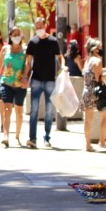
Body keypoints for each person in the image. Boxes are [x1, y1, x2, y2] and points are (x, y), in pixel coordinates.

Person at [22, 17, 66, 148]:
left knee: (49, 110)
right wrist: (25, 76)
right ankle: (32, 138)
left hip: (50, 80)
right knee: (34, 110)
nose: (39, 29)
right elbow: (28, 62)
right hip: (36, 79)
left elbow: (59, 57)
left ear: (45, 25)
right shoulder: (32, 42)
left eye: (40, 26)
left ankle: (47, 138)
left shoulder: (53, 41)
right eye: (37, 27)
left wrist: (63, 66)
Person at [0, 26, 28, 148]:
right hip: (6, 83)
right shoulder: (5, 49)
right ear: (10, 37)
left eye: (18, 34)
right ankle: (5, 136)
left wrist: (25, 77)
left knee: (19, 111)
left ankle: (17, 136)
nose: (17, 37)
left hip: (20, 85)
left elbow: (28, 65)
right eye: (14, 34)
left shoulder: (25, 50)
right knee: (7, 110)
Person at [80, 38, 106, 152]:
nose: (101, 50)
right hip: (96, 93)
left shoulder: (87, 61)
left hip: (86, 91)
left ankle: (88, 145)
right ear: (95, 49)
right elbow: (99, 79)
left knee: (88, 120)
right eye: (100, 48)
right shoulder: (97, 61)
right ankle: (102, 141)